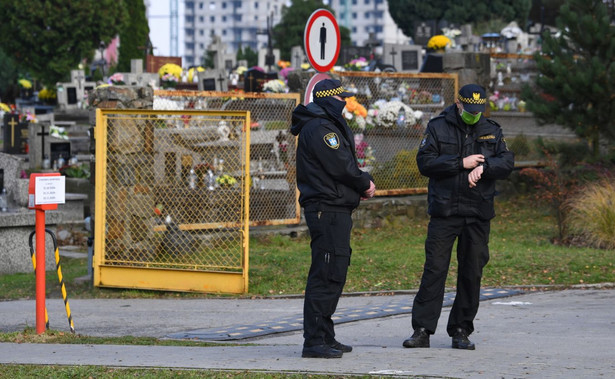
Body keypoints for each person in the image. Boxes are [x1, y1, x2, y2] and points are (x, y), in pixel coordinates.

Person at [403, 84, 514, 350]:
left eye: (479, 111)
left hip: (477, 213)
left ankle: (461, 329)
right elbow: (425, 162)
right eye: (470, 110)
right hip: (445, 212)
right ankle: (422, 330)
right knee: (435, 270)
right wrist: (460, 163)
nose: (474, 115)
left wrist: (485, 168)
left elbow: (507, 163)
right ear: (458, 103)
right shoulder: (438, 127)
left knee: (471, 272)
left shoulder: (492, 129)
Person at [290, 79, 376, 358]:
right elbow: (341, 165)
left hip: (335, 207)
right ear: (329, 99)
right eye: (341, 98)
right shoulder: (320, 128)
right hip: (326, 209)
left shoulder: (325, 123)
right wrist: (364, 183)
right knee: (326, 273)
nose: (345, 103)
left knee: (335, 272)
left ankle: (325, 334)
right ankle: (314, 341)